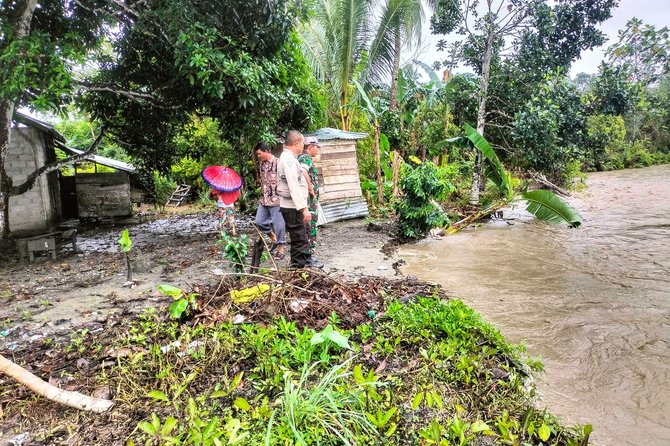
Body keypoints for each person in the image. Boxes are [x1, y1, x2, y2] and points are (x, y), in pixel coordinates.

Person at [277, 130, 323, 269]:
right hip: (293, 206)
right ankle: (297, 268)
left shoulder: (289, 157)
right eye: (302, 143)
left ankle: (301, 264)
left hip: (292, 205)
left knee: (301, 236)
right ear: (296, 143)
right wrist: (304, 209)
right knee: (299, 238)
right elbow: (293, 185)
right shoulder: (289, 160)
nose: (303, 146)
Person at [254, 141, 286, 260]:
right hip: (264, 199)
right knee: (259, 221)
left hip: (277, 199)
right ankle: (273, 238)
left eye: (259, 154)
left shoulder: (279, 163)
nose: (258, 156)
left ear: (267, 151)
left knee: (279, 224)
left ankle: (281, 248)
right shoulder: (262, 164)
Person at [299, 136, 321, 261]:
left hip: (309, 201)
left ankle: (307, 255)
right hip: (309, 202)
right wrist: (311, 188)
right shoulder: (305, 158)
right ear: (311, 147)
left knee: (308, 226)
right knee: (311, 226)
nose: (317, 150)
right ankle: (309, 256)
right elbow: (303, 171)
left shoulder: (303, 158)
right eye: (316, 147)